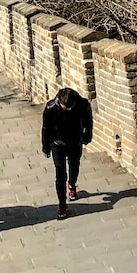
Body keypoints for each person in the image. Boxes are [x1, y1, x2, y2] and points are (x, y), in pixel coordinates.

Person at [40, 86, 93, 219]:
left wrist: (87, 136)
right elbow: (46, 128)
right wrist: (45, 147)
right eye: (66, 107)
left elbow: (88, 121)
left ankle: (72, 185)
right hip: (57, 143)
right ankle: (62, 205)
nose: (68, 109)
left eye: (70, 107)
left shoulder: (82, 104)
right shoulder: (50, 108)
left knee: (74, 165)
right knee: (60, 173)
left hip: (75, 140)